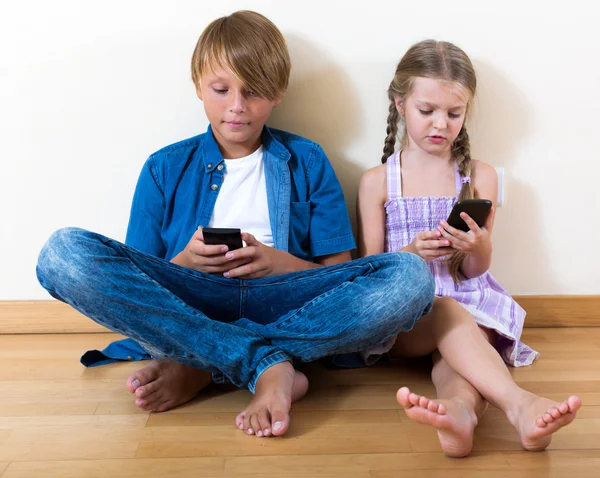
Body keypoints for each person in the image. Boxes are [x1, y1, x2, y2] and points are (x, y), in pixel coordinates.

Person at [36, 11, 435, 439]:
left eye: (254, 91)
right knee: (62, 253)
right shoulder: (163, 167)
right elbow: (141, 285)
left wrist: (279, 263)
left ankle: (206, 366)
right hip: (192, 301)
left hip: (285, 299)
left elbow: (336, 276)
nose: (237, 106)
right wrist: (188, 261)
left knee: (410, 275)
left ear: (279, 92)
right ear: (198, 86)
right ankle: (266, 364)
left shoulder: (308, 160)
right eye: (221, 89)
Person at [357, 39, 581, 456]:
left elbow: (476, 271)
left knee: (456, 358)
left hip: (471, 303)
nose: (441, 124)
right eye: (428, 111)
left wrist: (478, 245)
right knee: (446, 310)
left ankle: (460, 412)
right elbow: (368, 276)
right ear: (400, 103)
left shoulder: (480, 176)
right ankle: (519, 404)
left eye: (454, 113)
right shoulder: (377, 182)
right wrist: (409, 254)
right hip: (408, 316)